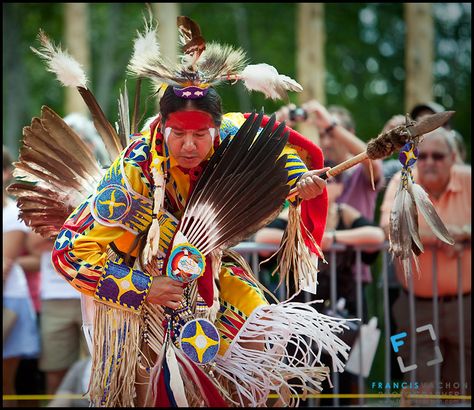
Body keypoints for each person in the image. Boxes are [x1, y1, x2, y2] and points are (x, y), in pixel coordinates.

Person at [17, 16, 353, 408]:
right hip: (143, 283)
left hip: (210, 271)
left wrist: (299, 185)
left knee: (262, 346)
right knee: (154, 389)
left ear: (216, 127)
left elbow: (279, 151)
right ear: (163, 128)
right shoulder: (134, 170)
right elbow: (69, 251)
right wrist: (143, 290)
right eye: (179, 134)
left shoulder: (230, 133)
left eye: (199, 135)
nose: (190, 145)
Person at [380, 127, 471, 397]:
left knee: (463, 393)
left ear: (454, 158)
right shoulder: (402, 179)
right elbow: (388, 227)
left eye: (438, 156)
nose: (429, 161)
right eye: (422, 155)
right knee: (421, 392)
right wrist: (443, 237)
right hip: (414, 308)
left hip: (465, 306)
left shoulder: (468, 179)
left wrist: (464, 233)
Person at [3, 146, 41, 407]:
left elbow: (4, 265)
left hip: (10, 303)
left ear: (6, 174)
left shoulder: (10, 213)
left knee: (5, 384)